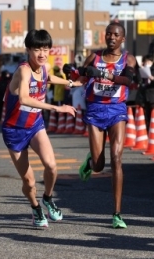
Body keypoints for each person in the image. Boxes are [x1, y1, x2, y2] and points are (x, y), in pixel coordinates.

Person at [1, 29, 81, 228]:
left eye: (46, 49)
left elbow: (49, 78)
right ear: (28, 50)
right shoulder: (24, 70)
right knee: (29, 182)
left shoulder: (44, 68)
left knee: (52, 166)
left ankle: (47, 198)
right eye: (37, 49)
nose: (42, 54)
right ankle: (36, 207)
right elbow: (24, 98)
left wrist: (71, 82)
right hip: (14, 130)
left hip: (35, 125)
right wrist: (56, 107)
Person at [64, 22, 136, 229]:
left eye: (116, 35)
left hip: (116, 110)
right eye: (108, 34)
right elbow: (80, 79)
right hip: (95, 110)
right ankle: (90, 162)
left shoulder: (127, 58)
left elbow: (127, 80)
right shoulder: (94, 57)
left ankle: (117, 214)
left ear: (122, 39)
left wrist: (104, 75)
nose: (111, 37)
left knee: (116, 158)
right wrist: (71, 75)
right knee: (98, 166)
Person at [135, 55, 154, 129]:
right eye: (146, 61)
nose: (147, 63)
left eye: (149, 61)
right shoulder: (141, 70)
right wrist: (140, 69)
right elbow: (138, 81)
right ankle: (148, 133)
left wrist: (153, 78)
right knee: (147, 117)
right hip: (145, 97)